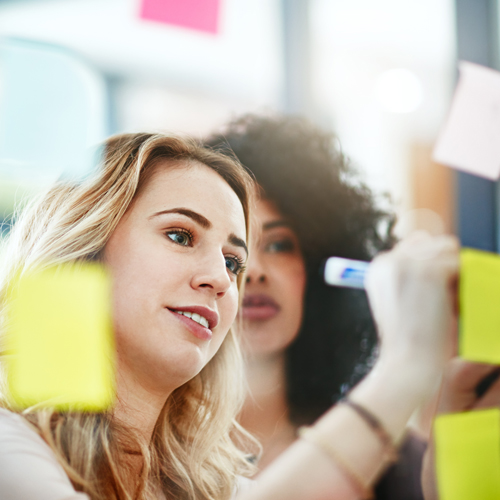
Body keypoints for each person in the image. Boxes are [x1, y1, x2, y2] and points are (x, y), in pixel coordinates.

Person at [0, 131, 459, 500]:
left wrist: (461, 432)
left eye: (231, 261)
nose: (223, 279)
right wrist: (402, 369)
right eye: (181, 236)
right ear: (85, 250)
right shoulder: (10, 447)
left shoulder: (216, 487)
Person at [206, 115, 427, 497]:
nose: (254, 271)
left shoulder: (398, 460)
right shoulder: (150, 452)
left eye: (279, 245)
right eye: (232, 251)